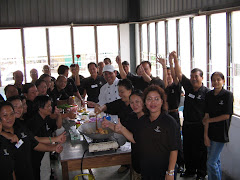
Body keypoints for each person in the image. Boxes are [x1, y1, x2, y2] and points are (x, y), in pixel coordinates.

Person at [109, 85, 180, 179]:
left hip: (164, 169)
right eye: (149, 99)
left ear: (162, 102)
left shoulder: (169, 122)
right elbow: (135, 139)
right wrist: (121, 128)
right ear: (145, 102)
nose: (153, 102)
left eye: (156, 99)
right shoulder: (143, 121)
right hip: (146, 169)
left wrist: (170, 172)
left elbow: (174, 149)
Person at [0, 101, 63, 180]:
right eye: (5, 115)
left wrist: (53, 148)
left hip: (29, 172)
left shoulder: (20, 127)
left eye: (12, 114)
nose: (9, 118)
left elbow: (34, 143)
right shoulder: (2, 139)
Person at [173, 52, 210, 180]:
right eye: (192, 76)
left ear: (202, 78)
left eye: (196, 76)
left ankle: (201, 173)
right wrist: (175, 60)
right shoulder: (189, 88)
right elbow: (179, 74)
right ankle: (189, 170)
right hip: (188, 125)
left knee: (200, 151)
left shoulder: (207, 93)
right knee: (188, 149)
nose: (194, 78)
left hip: (200, 126)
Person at [102, 89, 145, 179]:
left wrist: (121, 128)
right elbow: (122, 130)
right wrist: (109, 125)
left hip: (148, 162)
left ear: (144, 102)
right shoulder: (132, 116)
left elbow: (135, 139)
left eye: (137, 101)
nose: (134, 105)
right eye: (132, 102)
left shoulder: (149, 118)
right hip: (136, 159)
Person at [95, 79, 134, 173]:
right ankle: (124, 163)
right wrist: (100, 108)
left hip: (135, 135)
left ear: (130, 91)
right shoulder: (121, 103)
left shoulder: (137, 104)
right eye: (118, 91)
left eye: (122, 92)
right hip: (124, 133)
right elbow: (108, 106)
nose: (120, 94)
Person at [157, 52, 184, 172]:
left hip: (174, 114)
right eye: (166, 74)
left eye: (170, 74)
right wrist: (164, 66)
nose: (168, 76)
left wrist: (171, 62)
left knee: (176, 139)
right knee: (165, 140)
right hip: (164, 115)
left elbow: (176, 76)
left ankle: (181, 163)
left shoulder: (176, 87)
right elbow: (163, 82)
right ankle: (168, 162)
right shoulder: (164, 88)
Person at [202, 72, 233, 180]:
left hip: (220, 133)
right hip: (210, 132)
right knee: (216, 161)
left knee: (211, 162)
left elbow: (226, 116)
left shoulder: (227, 95)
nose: (216, 82)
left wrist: (209, 120)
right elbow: (206, 116)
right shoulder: (209, 95)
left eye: (218, 79)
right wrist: (205, 135)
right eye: (213, 80)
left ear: (223, 81)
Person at [26, 95, 64, 180]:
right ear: (40, 108)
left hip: (45, 150)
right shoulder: (34, 122)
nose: (51, 108)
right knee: (41, 173)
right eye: (48, 106)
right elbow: (34, 139)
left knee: (46, 172)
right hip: (37, 154)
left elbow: (58, 125)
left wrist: (59, 115)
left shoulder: (46, 117)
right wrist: (54, 141)